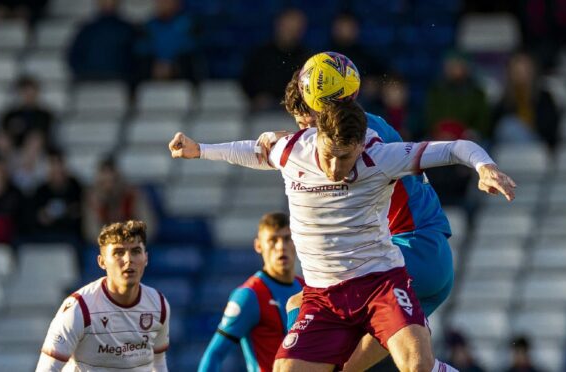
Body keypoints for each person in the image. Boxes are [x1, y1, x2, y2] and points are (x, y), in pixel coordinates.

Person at [169, 101, 515, 371]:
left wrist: (484, 167)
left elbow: (455, 148)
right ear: (316, 138)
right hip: (326, 297)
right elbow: (255, 151)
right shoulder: (293, 149)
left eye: (346, 158)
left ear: (360, 145)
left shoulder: (380, 156)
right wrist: (200, 149)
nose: (336, 168)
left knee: (416, 364)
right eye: (330, 156)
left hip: (381, 281)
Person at [278, 70, 455, 370]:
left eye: (305, 123)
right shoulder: (363, 127)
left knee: (301, 305)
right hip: (430, 258)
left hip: (411, 248)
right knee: (350, 367)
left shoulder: (358, 135)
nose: (305, 135)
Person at [36, 220, 170, 371]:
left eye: (135, 251)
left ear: (146, 258)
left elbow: (158, 363)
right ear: (102, 261)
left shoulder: (158, 304)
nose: (128, 259)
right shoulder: (79, 308)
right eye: (119, 252)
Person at [198, 212, 304, 371]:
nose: (281, 246)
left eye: (287, 238)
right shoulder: (249, 295)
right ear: (258, 246)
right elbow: (214, 354)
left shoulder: (306, 289)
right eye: (273, 240)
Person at [240, 8, 311, 111]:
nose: (292, 30)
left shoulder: (307, 58)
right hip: (262, 112)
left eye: (296, 27)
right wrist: (256, 97)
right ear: (278, 24)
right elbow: (247, 80)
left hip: (294, 112)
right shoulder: (260, 54)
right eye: (288, 25)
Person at [492, 51, 560, 149]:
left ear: (532, 72)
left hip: (538, 144)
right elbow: (495, 130)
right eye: (517, 71)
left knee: (509, 126)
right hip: (510, 146)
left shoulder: (544, 97)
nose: (521, 75)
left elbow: (551, 129)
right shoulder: (505, 100)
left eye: (524, 70)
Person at [84, 156, 157, 243]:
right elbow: (92, 233)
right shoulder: (92, 200)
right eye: (103, 183)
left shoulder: (134, 196)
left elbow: (149, 228)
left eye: (113, 181)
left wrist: (130, 240)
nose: (109, 187)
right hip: (106, 247)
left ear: (120, 180)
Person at [425, 50, 491, 141]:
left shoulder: (477, 94)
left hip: (468, 139)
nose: (453, 68)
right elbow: (430, 118)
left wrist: (469, 133)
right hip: (440, 136)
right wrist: (441, 132)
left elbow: (483, 123)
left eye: (457, 64)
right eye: (450, 65)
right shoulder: (436, 91)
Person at [67, 0, 136, 82]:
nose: (107, 2)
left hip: (119, 80)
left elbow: (135, 60)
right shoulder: (87, 30)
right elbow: (74, 57)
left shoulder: (128, 29)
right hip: (88, 80)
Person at [28, 149, 83, 243]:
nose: (57, 169)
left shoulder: (75, 187)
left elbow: (79, 212)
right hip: (45, 235)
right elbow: (36, 218)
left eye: (59, 164)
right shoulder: (40, 191)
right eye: (53, 165)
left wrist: (68, 213)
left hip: (69, 235)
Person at [1, 76, 54, 151]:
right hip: (14, 151)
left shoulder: (44, 115)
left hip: (39, 154)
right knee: (2, 139)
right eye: (26, 92)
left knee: (35, 140)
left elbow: (44, 135)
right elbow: (6, 131)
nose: (29, 96)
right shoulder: (11, 114)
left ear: (37, 93)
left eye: (31, 92)